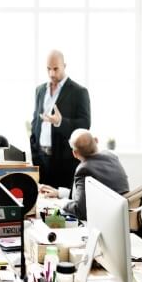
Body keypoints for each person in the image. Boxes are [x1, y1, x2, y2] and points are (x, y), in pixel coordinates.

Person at [30, 50, 91, 190]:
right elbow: (35, 123)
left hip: (65, 164)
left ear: (64, 66)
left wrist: (60, 122)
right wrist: (35, 156)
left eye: (56, 68)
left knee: (61, 207)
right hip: (41, 161)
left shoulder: (79, 92)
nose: (52, 73)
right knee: (43, 205)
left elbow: (85, 124)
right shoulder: (39, 90)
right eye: (48, 69)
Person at [38, 129, 128, 220]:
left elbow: (80, 211)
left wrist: (60, 202)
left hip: (102, 221)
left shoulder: (84, 169)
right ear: (96, 141)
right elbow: (90, 196)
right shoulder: (112, 156)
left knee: (47, 216)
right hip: (119, 216)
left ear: (75, 153)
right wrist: (59, 193)